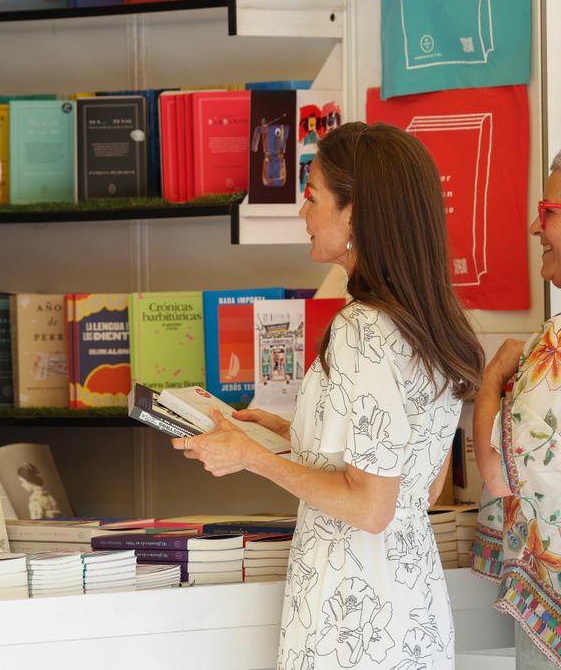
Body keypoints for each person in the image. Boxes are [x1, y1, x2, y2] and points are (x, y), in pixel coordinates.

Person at [173, 122, 483, 669]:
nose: (304, 212)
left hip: (350, 613)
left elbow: (370, 506)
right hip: (412, 606)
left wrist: (251, 457)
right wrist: (290, 434)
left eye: (312, 196)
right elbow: (420, 482)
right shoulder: (431, 324)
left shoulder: (362, 329)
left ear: (354, 216)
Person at [471, 151, 561, 669]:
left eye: (547, 211)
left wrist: (491, 381)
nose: (535, 227)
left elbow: (498, 472)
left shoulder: (554, 346)